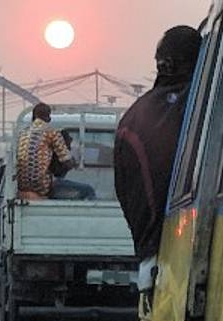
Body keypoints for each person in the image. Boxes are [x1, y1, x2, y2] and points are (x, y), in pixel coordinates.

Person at [114, 25, 202, 290]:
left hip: (155, 260)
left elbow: (127, 189)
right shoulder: (204, 100)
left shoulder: (133, 119)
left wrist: (146, 247)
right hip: (195, 251)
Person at [16, 103, 74, 199]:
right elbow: (66, 160)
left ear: (33, 116)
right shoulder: (52, 132)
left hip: (21, 185)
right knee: (87, 190)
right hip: (41, 186)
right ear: (48, 117)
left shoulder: (23, 133)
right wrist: (74, 163)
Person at [50, 130, 96, 200]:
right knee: (88, 190)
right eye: (68, 145)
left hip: (52, 182)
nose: (70, 148)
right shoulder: (59, 152)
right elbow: (66, 165)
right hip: (52, 183)